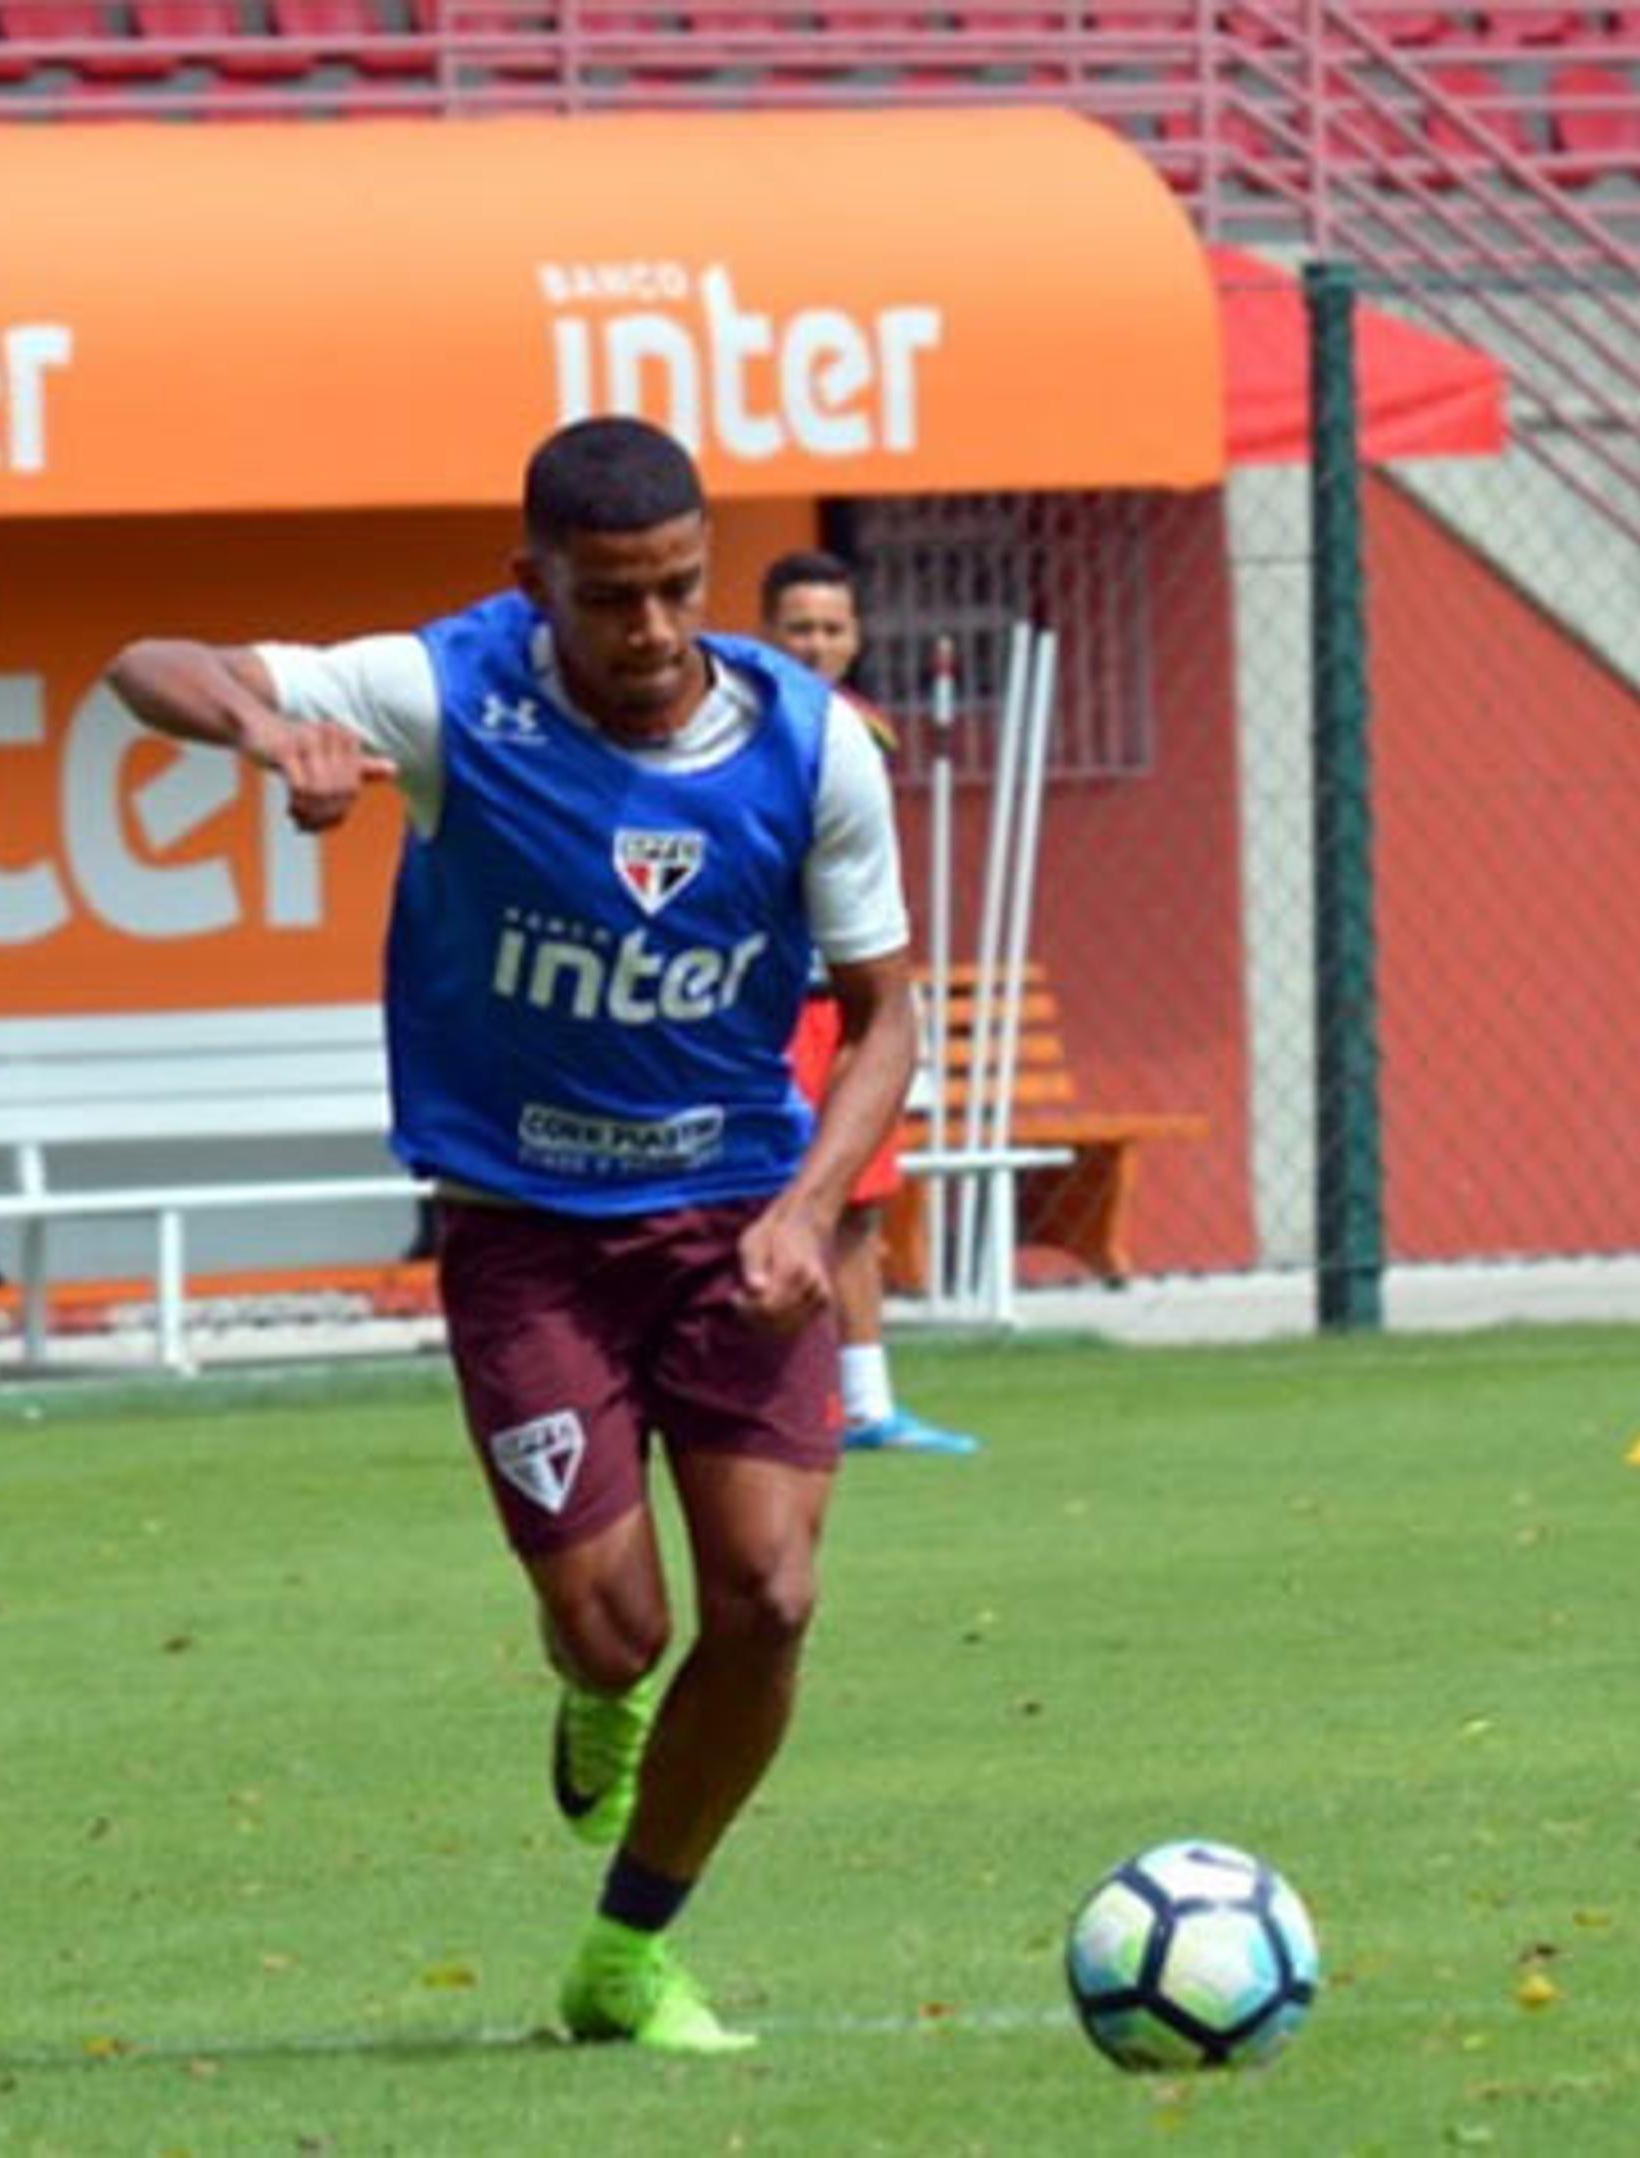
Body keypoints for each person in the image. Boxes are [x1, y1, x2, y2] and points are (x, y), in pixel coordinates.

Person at [102, 417, 916, 2059]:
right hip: (529, 1239)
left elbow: (890, 1014)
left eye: (681, 586)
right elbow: (143, 661)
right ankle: (599, 1687)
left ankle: (626, 1953)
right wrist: (274, 732)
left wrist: (813, 1208)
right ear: (530, 579)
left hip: (736, 1224)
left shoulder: (815, 746)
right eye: (613, 597)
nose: (657, 630)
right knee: (618, 1626)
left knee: (766, 1597)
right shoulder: (445, 697)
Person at [759, 551, 981, 1459]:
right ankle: (772, 1396)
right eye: (800, 628)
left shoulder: (865, 734)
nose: (816, 645)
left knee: (857, 1201)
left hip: (843, 1005)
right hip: (766, 1005)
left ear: (854, 638)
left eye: (832, 629)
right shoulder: (740, 726)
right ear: (769, 631)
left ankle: (866, 1400)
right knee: (763, 1196)